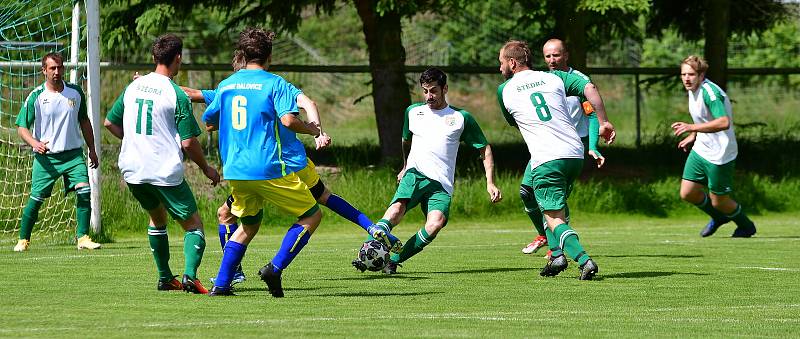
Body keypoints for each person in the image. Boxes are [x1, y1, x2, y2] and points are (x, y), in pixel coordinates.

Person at [183, 51, 399, 288]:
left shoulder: (255, 87)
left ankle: (235, 273)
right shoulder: (255, 86)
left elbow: (201, 105)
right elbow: (309, 103)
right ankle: (371, 226)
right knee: (323, 197)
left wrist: (316, 131)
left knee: (231, 215)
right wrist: (318, 131)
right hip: (292, 162)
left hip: (275, 165)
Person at [202, 27, 332, 297]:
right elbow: (287, 120)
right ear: (269, 55)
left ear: (243, 54)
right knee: (312, 215)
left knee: (247, 226)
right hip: (268, 167)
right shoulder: (275, 83)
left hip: (235, 170)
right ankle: (275, 267)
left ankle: (222, 284)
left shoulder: (227, 85)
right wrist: (310, 129)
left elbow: (209, 121)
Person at [353, 67, 502, 274]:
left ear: (445, 88)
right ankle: (366, 254)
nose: (429, 96)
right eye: (425, 91)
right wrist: (405, 166)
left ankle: (392, 261)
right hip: (415, 174)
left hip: (441, 184)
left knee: (435, 223)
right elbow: (406, 141)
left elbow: (484, 148)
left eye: (433, 90)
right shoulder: (413, 112)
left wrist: (490, 182)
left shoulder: (461, 118)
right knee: (395, 211)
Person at [104, 34, 220, 294]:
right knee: (193, 225)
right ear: (177, 58)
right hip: (163, 171)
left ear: (154, 58)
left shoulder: (133, 87)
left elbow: (109, 123)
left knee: (157, 218)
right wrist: (207, 168)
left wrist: (134, 140)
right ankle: (190, 276)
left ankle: (166, 277)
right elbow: (189, 143)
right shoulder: (176, 94)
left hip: (132, 170)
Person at [497, 40, 615, 280]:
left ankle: (583, 260)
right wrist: (604, 122)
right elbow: (590, 89)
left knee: (554, 217)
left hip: (547, 157)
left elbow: (514, 120)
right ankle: (556, 255)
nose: (499, 69)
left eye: (501, 63)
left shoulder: (505, 90)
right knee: (529, 192)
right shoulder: (556, 78)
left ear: (511, 63)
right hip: (573, 154)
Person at [521, 39, 607, 256]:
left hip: (568, 148)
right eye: (548, 56)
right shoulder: (543, 80)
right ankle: (545, 233)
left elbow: (592, 114)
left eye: (556, 55)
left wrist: (593, 146)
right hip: (545, 146)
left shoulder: (577, 81)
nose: (551, 60)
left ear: (566, 55)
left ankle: (557, 246)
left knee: (556, 199)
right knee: (526, 191)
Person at [13, 52, 101, 252]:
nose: (57, 71)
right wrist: (34, 143)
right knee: (36, 200)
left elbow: (84, 122)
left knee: (85, 191)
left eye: (60, 67)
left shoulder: (75, 92)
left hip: (73, 155)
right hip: (46, 159)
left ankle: (82, 237)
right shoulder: (36, 96)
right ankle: (23, 239)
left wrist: (92, 150)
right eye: (52, 68)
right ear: (44, 70)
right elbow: (21, 127)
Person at [672, 55, 756, 238]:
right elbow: (704, 118)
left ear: (702, 75)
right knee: (687, 193)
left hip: (721, 152)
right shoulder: (692, 90)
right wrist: (693, 136)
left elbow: (724, 122)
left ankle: (746, 225)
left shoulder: (710, 93)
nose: (686, 78)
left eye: (691, 74)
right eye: (683, 74)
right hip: (701, 148)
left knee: (719, 201)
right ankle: (718, 218)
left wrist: (691, 127)